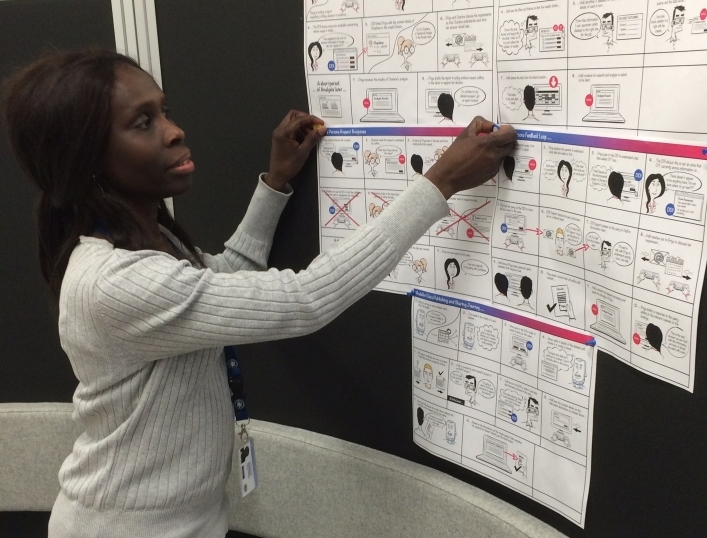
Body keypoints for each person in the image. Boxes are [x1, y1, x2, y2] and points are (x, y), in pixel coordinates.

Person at [2, 49, 517, 537]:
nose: (175, 130)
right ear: (86, 158)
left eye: (165, 111)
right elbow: (308, 299)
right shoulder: (114, 282)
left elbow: (223, 279)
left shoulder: (142, 249)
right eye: (143, 123)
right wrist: (441, 181)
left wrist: (275, 182)